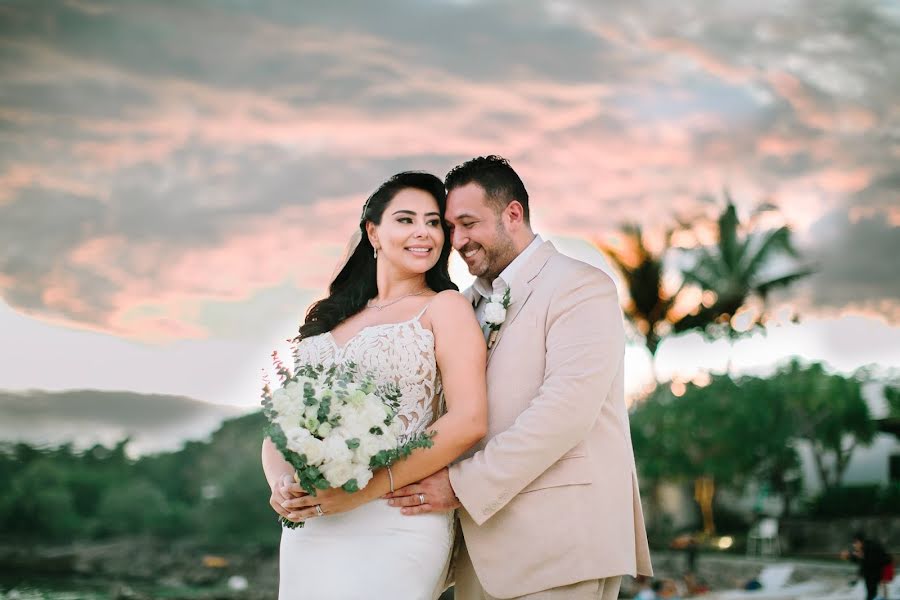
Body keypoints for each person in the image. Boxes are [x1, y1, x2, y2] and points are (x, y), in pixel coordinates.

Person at [386, 156, 653, 599]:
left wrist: (460, 484)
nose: (458, 240)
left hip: (559, 545)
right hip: (477, 549)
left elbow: (565, 412)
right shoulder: (461, 308)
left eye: (468, 223)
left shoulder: (580, 286)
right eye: (450, 228)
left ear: (513, 213)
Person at [262, 171, 489, 599]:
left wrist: (363, 491)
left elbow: (468, 420)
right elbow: (283, 426)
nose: (423, 232)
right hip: (313, 524)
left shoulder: (445, 308)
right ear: (373, 232)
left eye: (434, 222)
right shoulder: (333, 320)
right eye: (406, 219)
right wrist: (280, 483)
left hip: (395, 519)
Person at [841, 531, 892, 600]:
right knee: (873, 590)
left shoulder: (869, 548)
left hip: (883, 569)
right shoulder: (865, 547)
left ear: (860, 542)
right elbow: (862, 562)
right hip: (877, 569)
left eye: (855, 542)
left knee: (872, 591)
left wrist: (850, 556)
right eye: (853, 543)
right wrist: (850, 557)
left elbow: (865, 563)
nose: (854, 545)